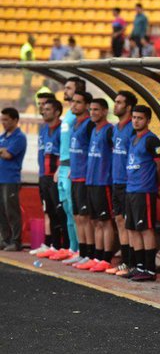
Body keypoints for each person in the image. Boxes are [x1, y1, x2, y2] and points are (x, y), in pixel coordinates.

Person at [123, 105, 160, 281]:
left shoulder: (152, 140)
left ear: (148, 120)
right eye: (133, 117)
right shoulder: (133, 138)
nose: (135, 121)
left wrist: (154, 184)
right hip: (130, 189)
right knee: (132, 229)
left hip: (144, 191)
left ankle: (150, 269)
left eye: (139, 118)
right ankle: (139, 266)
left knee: (146, 229)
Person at [106, 91, 138, 276]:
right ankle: (125, 262)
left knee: (128, 224)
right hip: (116, 181)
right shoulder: (115, 128)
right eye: (115, 102)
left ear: (128, 107)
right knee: (119, 220)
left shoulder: (132, 129)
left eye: (119, 102)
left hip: (129, 183)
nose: (115, 105)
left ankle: (132, 262)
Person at [82, 99, 116, 272]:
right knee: (95, 221)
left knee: (105, 221)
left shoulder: (110, 130)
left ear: (104, 111)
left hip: (104, 182)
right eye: (91, 109)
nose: (93, 112)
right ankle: (97, 256)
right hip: (91, 181)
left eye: (96, 109)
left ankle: (106, 258)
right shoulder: (93, 129)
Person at [53, 77, 82, 264]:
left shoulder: (79, 118)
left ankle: (80, 249)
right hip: (63, 166)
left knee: (75, 210)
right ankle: (72, 247)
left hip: (72, 167)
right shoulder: (68, 115)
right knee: (67, 209)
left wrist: (73, 165)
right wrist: (59, 167)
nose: (65, 91)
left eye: (69, 88)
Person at [35, 100, 67, 257]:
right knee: (50, 211)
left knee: (59, 212)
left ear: (57, 112)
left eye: (47, 109)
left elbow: (63, 153)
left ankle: (65, 246)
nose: (43, 111)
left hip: (56, 176)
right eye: (43, 109)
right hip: (44, 176)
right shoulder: (43, 129)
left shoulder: (62, 129)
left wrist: (59, 171)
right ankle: (53, 244)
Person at [68, 91, 96, 267]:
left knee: (86, 218)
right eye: (73, 101)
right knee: (77, 216)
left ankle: (90, 254)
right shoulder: (75, 124)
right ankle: (81, 251)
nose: (74, 105)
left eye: (78, 102)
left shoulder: (89, 125)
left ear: (86, 105)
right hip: (75, 176)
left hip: (86, 178)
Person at [0, 108, 27, 251]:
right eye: (2, 119)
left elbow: (8, 155)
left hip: (11, 179)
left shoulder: (19, 137)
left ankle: (16, 241)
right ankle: (5, 239)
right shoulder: (3, 137)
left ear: (15, 120)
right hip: (1, 178)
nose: (3, 122)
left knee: (12, 211)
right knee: (1, 211)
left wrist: (3, 150)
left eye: (6, 120)